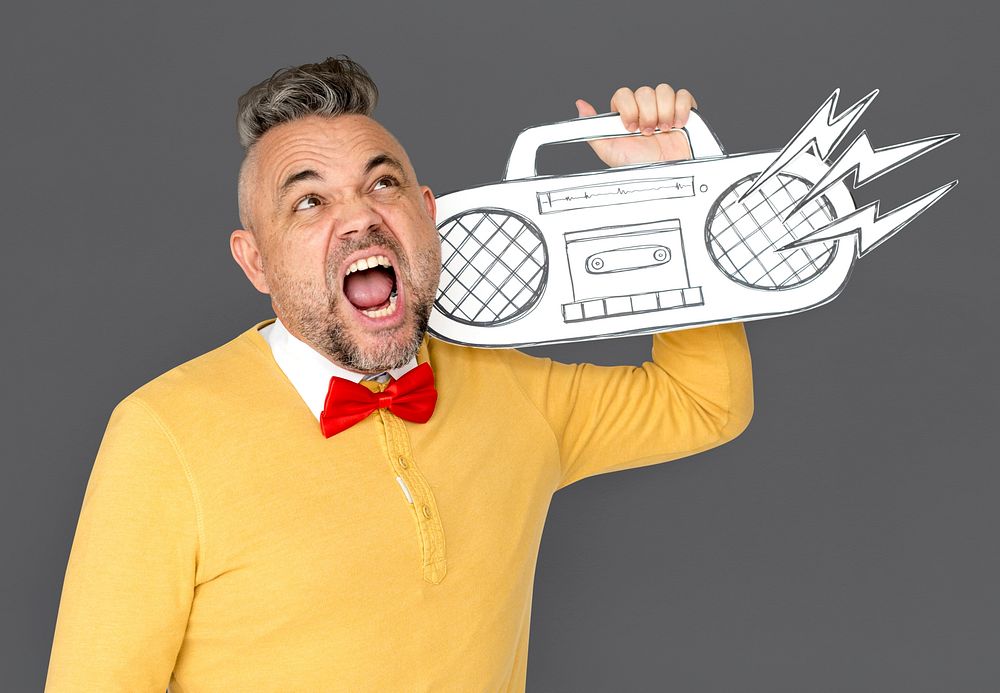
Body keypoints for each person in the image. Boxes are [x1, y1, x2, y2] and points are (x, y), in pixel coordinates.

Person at [45, 56, 753, 691]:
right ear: (254, 260)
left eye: (382, 184)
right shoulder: (163, 435)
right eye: (309, 201)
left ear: (427, 216)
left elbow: (704, 403)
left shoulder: (512, 392)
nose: (360, 219)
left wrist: (670, 195)